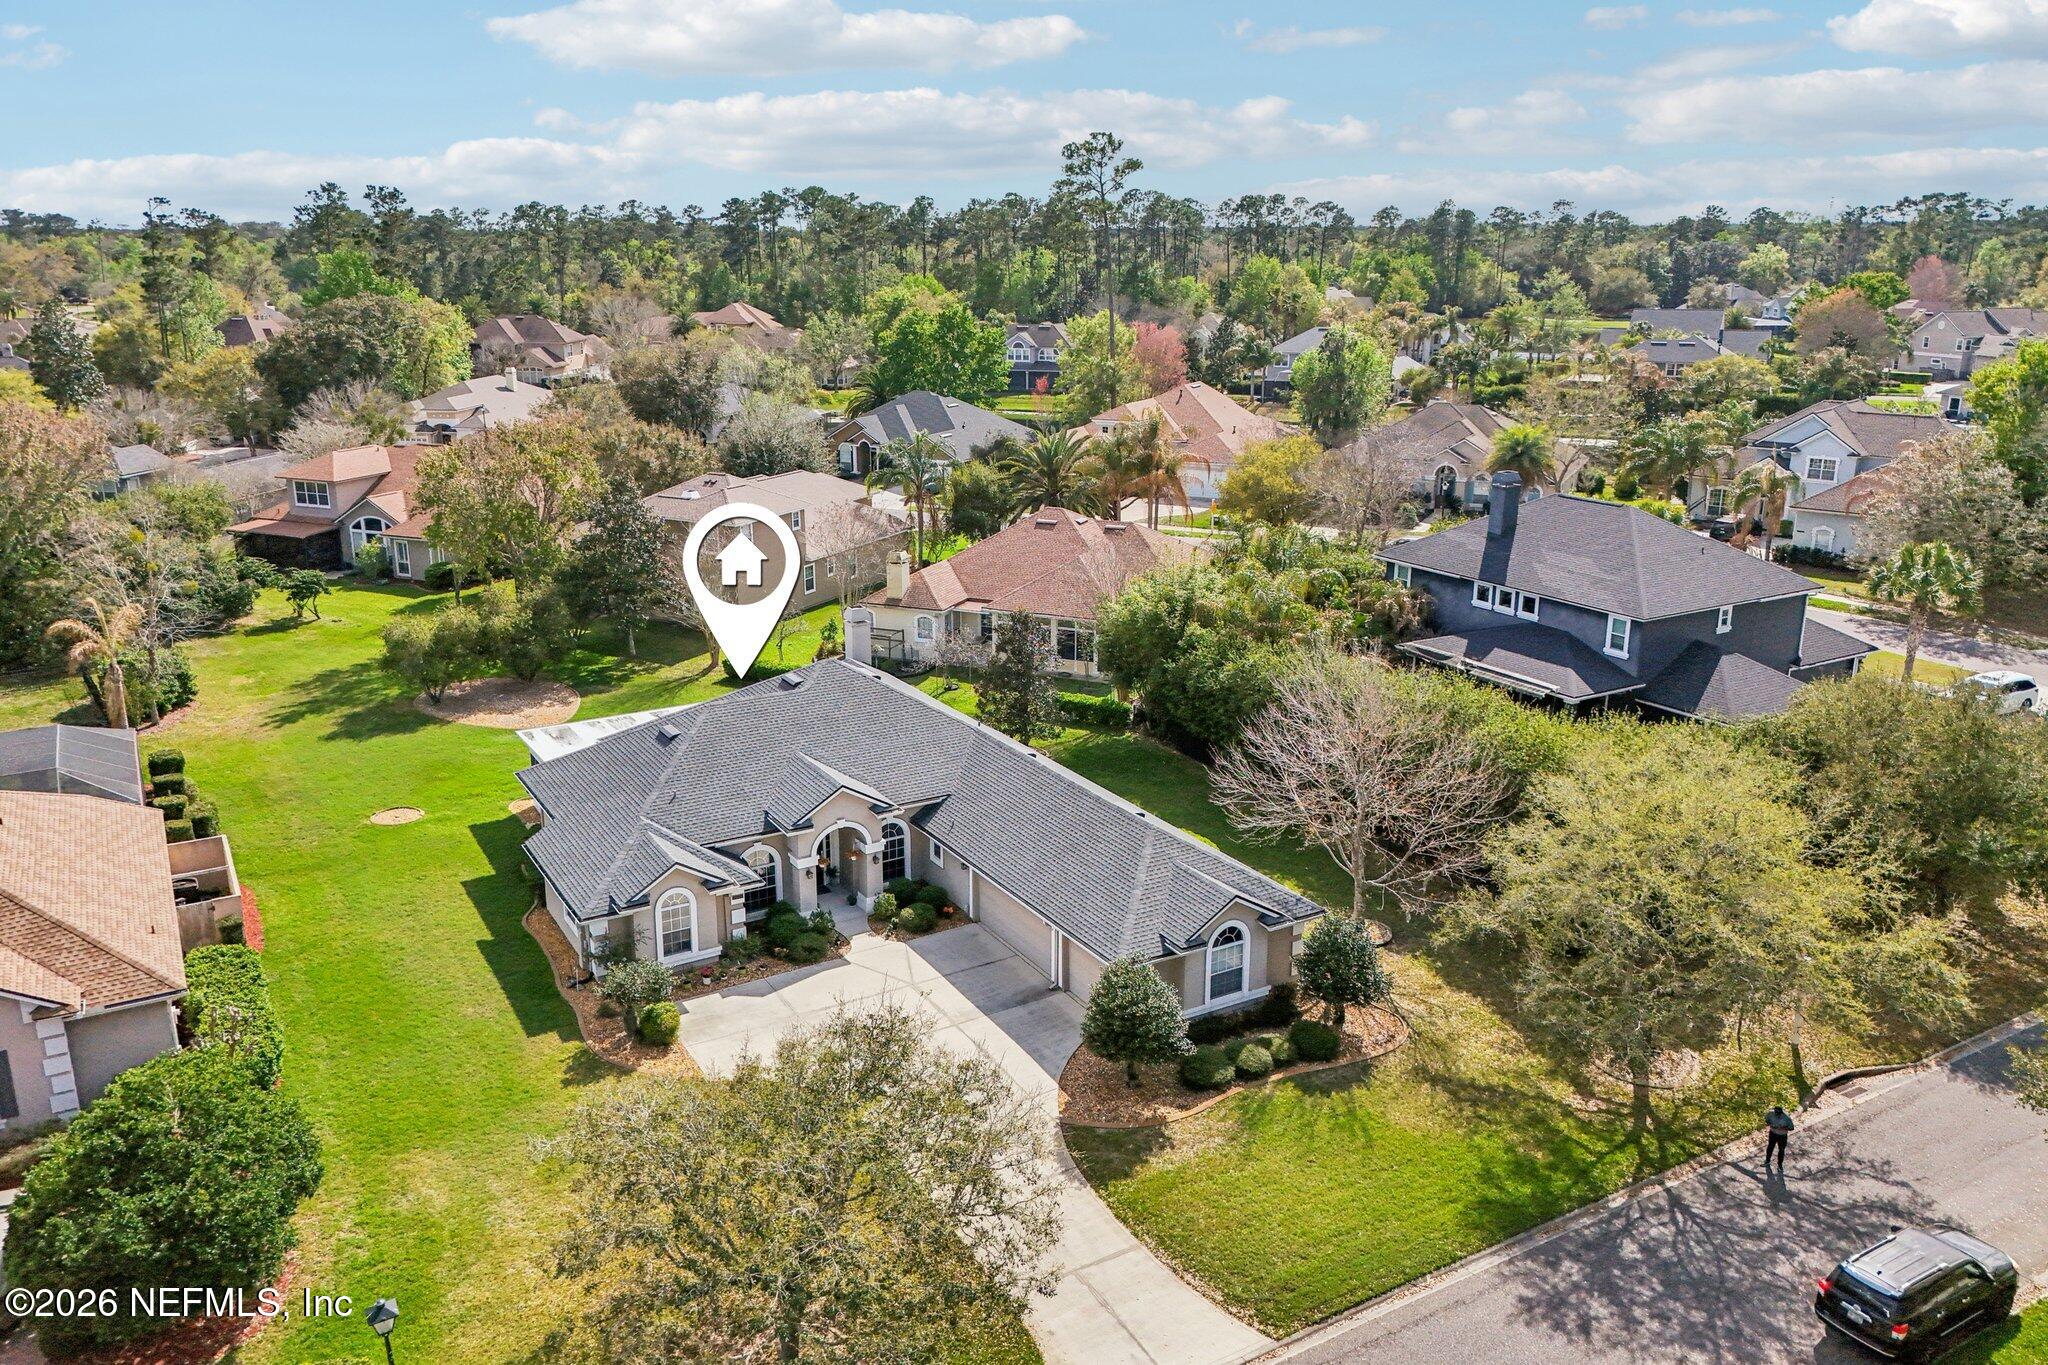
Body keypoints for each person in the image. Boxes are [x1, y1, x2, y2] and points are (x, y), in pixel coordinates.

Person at [1764, 1104, 1795, 1172]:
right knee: (1770, 1147)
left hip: (1782, 1136)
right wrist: (1769, 1124)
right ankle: (1767, 1161)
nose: (1777, 1115)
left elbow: (1792, 1128)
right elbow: (1766, 1120)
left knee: (1781, 1150)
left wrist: (1782, 1128)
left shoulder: (1786, 1118)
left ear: (1782, 1112)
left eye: (1779, 1114)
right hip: (1772, 1133)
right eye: (1776, 1113)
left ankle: (1780, 1165)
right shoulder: (1770, 1113)